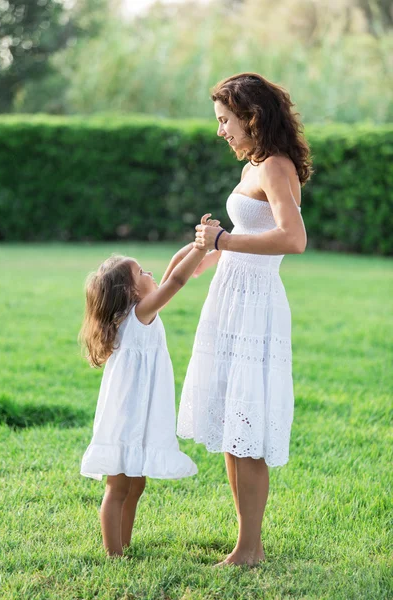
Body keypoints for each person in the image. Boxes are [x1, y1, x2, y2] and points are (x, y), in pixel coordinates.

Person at [177, 73, 313, 566]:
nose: (221, 131)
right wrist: (206, 255)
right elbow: (242, 232)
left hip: (256, 306)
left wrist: (225, 244)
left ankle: (249, 549)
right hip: (230, 297)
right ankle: (245, 544)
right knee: (233, 425)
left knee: (248, 429)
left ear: (251, 117)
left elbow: (293, 239)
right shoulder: (254, 165)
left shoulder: (275, 166)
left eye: (224, 120)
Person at [79, 215, 219, 557]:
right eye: (142, 274)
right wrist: (202, 247)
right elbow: (176, 280)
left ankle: (123, 546)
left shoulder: (132, 313)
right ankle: (114, 554)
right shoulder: (140, 314)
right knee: (118, 486)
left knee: (135, 483)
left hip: (139, 411)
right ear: (129, 291)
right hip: (129, 416)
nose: (150, 274)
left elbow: (171, 270)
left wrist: (198, 242)